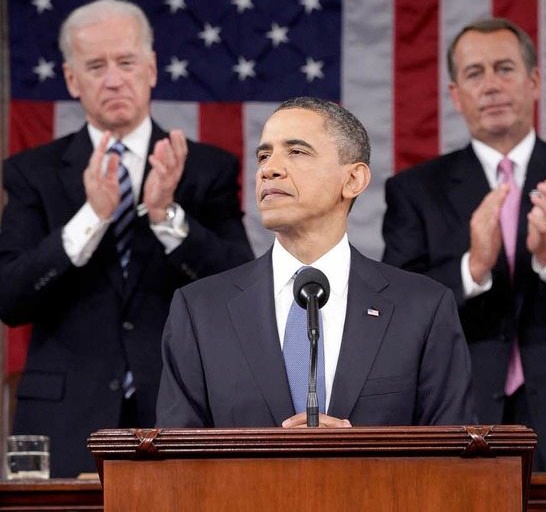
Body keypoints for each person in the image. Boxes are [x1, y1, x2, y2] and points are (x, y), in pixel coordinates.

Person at [0, 0, 254, 477]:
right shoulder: (31, 173)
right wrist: (91, 219)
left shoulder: (205, 169)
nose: (113, 78)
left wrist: (166, 215)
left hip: (179, 413)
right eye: (96, 66)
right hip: (66, 418)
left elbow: (240, 290)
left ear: (152, 68)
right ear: (72, 80)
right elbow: (10, 298)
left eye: (126, 62)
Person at [382, 17, 546, 470]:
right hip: (460, 420)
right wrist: (473, 268)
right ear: (455, 95)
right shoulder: (415, 190)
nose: (492, 85)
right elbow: (397, 317)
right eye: (475, 73)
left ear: (534, 81)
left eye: (505, 68)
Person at [156, 97, 476, 429]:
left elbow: (452, 457)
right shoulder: (200, 311)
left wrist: (356, 454)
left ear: (353, 180)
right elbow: (177, 465)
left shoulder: (423, 307)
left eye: (296, 152)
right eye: (264, 155)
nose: (269, 168)